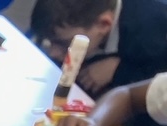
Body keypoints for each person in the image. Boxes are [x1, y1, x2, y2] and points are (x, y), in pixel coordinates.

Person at [31, 0, 167, 102]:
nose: (53, 53)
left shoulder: (152, 30)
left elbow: (160, 86)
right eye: (48, 41)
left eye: (64, 43)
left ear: (103, 24)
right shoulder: (77, 26)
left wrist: (120, 70)